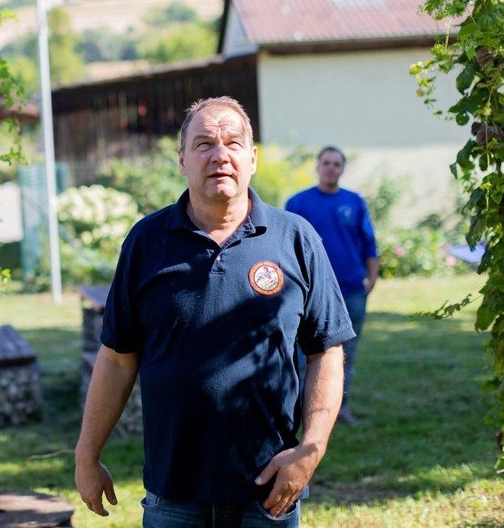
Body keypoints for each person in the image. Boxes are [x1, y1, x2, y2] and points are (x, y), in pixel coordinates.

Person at [74, 97, 354, 527]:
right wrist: (87, 454)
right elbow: (116, 357)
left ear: (253, 158)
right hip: (173, 496)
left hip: (268, 491)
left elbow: (326, 351)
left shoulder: (295, 239)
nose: (220, 155)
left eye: (233, 143)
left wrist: (311, 449)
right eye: (203, 144)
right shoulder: (147, 242)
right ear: (182, 159)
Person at [285, 147, 378, 425]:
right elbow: (286, 247)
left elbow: (369, 243)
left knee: (347, 354)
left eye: (336, 164)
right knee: (303, 355)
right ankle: (302, 411)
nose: (330, 168)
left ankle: (340, 408)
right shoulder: (298, 203)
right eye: (326, 163)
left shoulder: (355, 202)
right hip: (309, 294)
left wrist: (372, 277)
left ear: (342, 169)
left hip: (351, 290)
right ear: (318, 166)